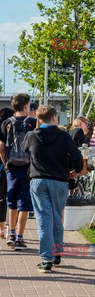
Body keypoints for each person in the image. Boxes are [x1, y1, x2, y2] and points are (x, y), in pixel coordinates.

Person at [23, 105, 83, 272]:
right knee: (57, 217)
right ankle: (56, 254)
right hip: (59, 181)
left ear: (38, 120)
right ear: (55, 118)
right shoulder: (64, 136)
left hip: (38, 181)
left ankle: (46, 259)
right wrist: (76, 171)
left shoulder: (31, 136)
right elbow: (77, 156)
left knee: (43, 219)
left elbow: (24, 149)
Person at [0, 94, 37, 250]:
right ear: (26, 106)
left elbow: (1, 148)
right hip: (28, 168)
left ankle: (11, 233)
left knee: (11, 201)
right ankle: (20, 238)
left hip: (11, 168)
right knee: (24, 203)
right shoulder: (34, 123)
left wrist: (6, 164)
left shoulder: (6, 123)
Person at [0, 108, 14, 239]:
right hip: (5, 167)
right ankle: (5, 229)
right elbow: (2, 148)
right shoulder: (7, 128)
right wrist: (5, 163)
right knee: (5, 198)